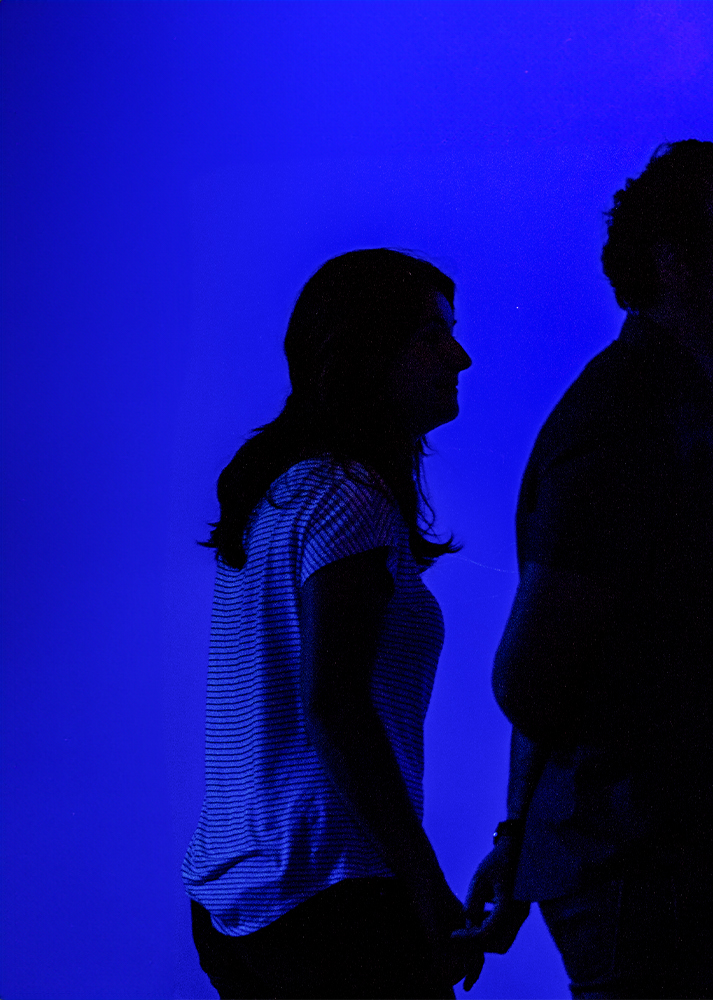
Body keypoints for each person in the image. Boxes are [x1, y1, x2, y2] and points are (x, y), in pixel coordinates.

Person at [457, 140, 713, 999]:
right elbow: (529, 676)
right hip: (656, 875)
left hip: (664, 871)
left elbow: (571, 649)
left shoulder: (659, 416)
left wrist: (518, 832)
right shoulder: (630, 427)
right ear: (674, 262)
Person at [182, 249, 475, 999]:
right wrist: (426, 888)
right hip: (338, 896)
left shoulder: (279, 498)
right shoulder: (350, 497)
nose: (460, 356)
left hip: (237, 899)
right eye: (433, 336)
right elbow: (335, 707)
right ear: (369, 353)